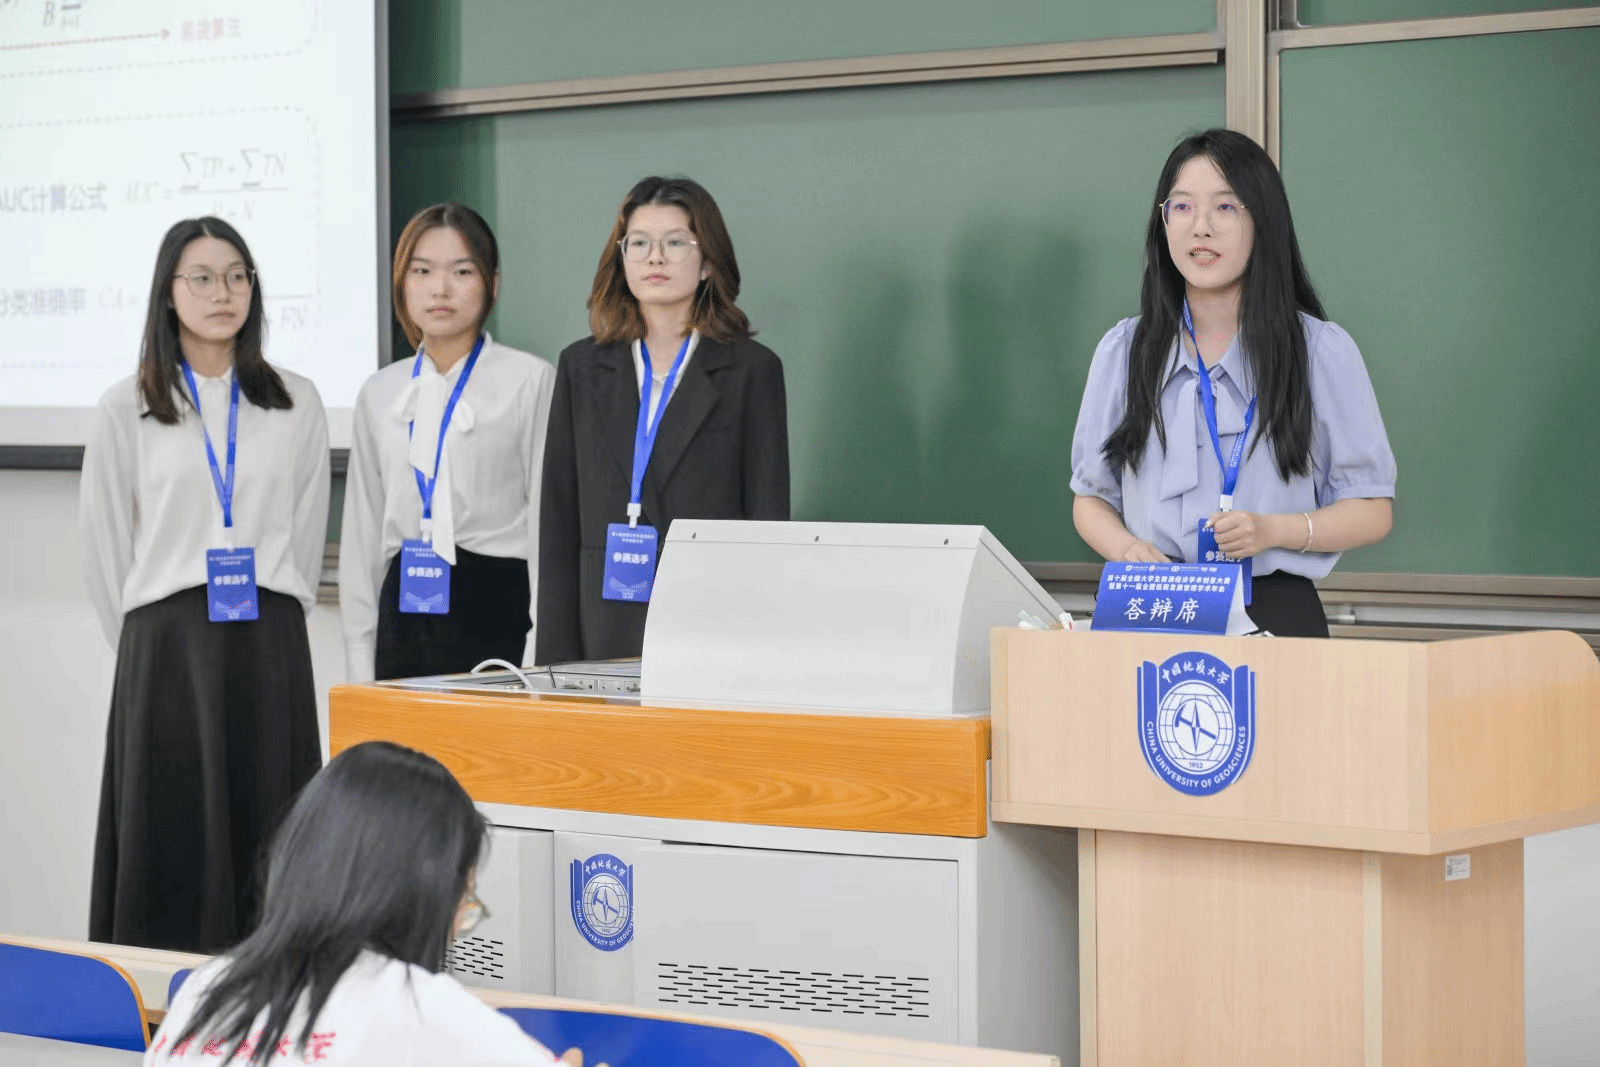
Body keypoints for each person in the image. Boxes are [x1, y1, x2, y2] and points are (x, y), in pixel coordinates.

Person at [81, 217, 329, 952]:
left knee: (272, 828)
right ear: (168, 292)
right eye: (202, 277)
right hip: (167, 653)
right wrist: (150, 644)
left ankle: (275, 991)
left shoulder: (296, 399)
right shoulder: (126, 405)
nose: (222, 292)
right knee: (171, 834)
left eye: (236, 276)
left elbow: (306, 528)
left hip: (267, 643)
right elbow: (104, 548)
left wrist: (274, 612)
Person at [1069, 129, 1396, 637]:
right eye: (1182, 207)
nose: (1200, 227)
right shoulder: (1124, 351)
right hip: (1150, 603)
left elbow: (1372, 510)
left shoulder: (1319, 351)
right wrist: (1127, 550)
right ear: (1163, 222)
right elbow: (1090, 499)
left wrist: (1274, 530)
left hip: (1270, 607)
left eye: (1225, 207)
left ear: (1263, 221)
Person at [145, 741, 580, 1066]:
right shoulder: (419, 1008)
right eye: (463, 903)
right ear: (423, 894)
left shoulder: (204, 990)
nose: (455, 930)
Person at [536, 177, 789, 664]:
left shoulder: (752, 371)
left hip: (712, 627)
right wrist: (555, 665)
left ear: (708, 262)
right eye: (639, 243)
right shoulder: (581, 367)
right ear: (621, 258)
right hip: (601, 629)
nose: (655, 258)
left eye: (675, 243)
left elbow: (768, 525)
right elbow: (559, 521)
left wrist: (759, 654)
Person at [340, 203, 555, 681]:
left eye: (462, 271)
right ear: (402, 283)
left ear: (492, 283)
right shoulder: (381, 392)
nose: (440, 289)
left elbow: (547, 527)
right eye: (422, 271)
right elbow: (361, 536)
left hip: (497, 607)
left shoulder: (529, 379)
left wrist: (537, 657)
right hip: (403, 613)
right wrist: (359, 659)